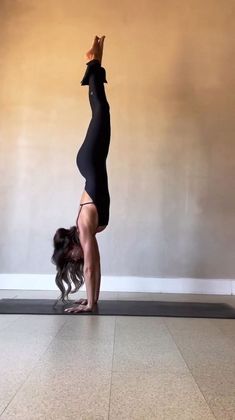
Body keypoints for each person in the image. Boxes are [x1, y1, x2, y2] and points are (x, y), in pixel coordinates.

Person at [51, 35, 111, 313]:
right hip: (91, 162)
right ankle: (96, 60)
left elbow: (88, 267)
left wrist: (89, 305)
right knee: (100, 111)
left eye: (70, 257)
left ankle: (92, 61)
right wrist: (91, 301)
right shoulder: (89, 233)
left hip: (89, 161)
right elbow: (94, 267)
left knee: (101, 111)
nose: (75, 260)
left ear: (69, 248)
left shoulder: (85, 227)